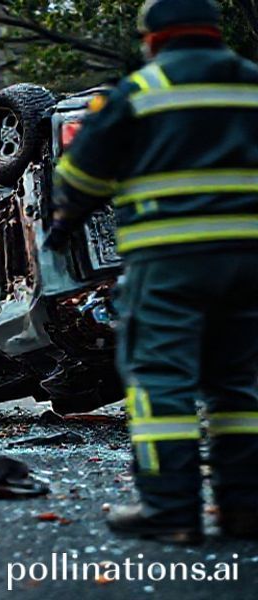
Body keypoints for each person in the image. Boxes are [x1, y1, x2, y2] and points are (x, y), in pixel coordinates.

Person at [45, 0, 258, 543]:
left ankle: (171, 512)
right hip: (249, 263)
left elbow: (80, 176)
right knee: (240, 384)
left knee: (162, 381)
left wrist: (66, 221)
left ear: (153, 39)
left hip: (170, 264)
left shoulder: (139, 92)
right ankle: (245, 508)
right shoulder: (251, 84)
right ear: (214, 32)